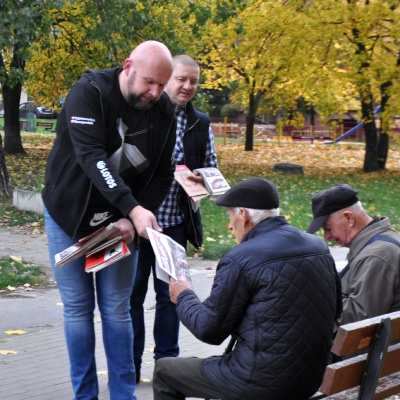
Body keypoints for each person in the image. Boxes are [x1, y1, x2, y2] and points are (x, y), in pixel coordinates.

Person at [41, 40, 177, 400]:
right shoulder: (89, 93)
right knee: (78, 309)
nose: (155, 92)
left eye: (163, 85)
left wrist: (132, 218)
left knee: (116, 309)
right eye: (150, 82)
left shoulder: (164, 109)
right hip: (68, 215)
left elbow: (164, 173)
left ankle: (123, 395)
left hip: (119, 223)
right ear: (128, 66)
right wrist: (133, 208)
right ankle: (84, 396)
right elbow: (92, 157)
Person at [153, 178, 342, 400]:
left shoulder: (241, 258)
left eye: (231, 217)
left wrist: (183, 295)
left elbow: (209, 330)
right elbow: (336, 309)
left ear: (243, 214)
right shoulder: (317, 246)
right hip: (311, 377)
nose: (230, 225)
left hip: (261, 382)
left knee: (164, 371)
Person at [130, 54, 218, 383]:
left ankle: (166, 369)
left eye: (193, 81)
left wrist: (202, 178)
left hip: (175, 226)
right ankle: (131, 365)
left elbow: (213, 170)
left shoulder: (200, 123)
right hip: (139, 226)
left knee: (171, 298)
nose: (187, 86)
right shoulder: (144, 113)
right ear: (168, 79)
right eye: (181, 79)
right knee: (132, 297)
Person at [306, 183, 400, 329]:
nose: (327, 236)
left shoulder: (376, 255)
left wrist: (311, 301)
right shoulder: (384, 239)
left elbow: (358, 319)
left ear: (349, 218)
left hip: (371, 350)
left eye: (328, 228)